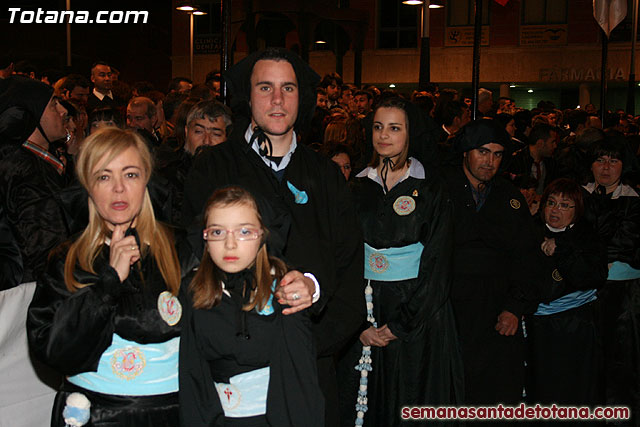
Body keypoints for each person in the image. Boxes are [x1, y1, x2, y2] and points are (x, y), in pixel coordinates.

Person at [182, 47, 364, 426]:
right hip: (231, 376)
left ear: (303, 97)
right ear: (248, 97)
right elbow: (195, 263)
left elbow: (348, 272)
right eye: (265, 88)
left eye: (289, 88)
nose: (277, 100)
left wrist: (311, 301)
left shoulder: (327, 177)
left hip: (313, 366)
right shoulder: (213, 167)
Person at [27, 128, 197, 426]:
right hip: (94, 415)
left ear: (146, 181)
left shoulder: (181, 249)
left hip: (172, 414)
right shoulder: (68, 260)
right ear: (88, 187)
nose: (118, 188)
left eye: (130, 174)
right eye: (104, 177)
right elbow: (56, 350)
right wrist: (109, 281)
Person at [341, 97, 463, 426]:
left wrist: (401, 324)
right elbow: (343, 257)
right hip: (366, 311)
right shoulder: (355, 186)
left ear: (411, 133)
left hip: (418, 312)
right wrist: (357, 325)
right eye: (378, 127)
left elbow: (438, 263)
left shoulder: (432, 188)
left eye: (395, 128)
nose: (384, 135)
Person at [180, 186, 323, 426]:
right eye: (217, 232)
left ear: (263, 236)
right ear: (204, 238)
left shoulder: (284, 289)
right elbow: (190, 377)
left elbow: (301, 380)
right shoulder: (192, 290)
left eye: (244, 231)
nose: (230, 244)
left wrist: (311, 284)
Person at [442, 119, 540, 405]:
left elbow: (526, 256)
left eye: (498, 154)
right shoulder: (440, 190)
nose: (490, 161)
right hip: (449, 309)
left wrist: (514, 306)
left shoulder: (509, 197)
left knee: (495, 395)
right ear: (465, 152)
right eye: (483, 152)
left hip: (497, 313)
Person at [526, 178, 607, 409]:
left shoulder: (588, 236)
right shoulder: (529, 230)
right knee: (542, 389)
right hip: (538, 326)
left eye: (564, 205)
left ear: (577, 210)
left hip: (575, 326)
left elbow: (593, 277)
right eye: (551, 202)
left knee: (575, 389)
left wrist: (561, 252)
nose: (555, 210)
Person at [582, 137, 640, 422]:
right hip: (582, 291)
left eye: (613, 160)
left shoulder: (634, 202)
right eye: (600, 159)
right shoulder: (577, 195)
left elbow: (625, 246)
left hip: (624, 294)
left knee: (621, 360)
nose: (605, 167)